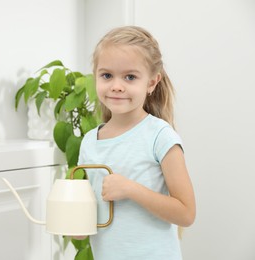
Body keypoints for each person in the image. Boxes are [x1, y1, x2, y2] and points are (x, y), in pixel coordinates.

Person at [76, 26, 196, 259]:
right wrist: (78, 223)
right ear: (95, 76)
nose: (117, 85)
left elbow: (186, 213)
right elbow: (92, 213)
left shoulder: (160, 136)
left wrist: (131, 189)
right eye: (107, 75)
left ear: (152, 83)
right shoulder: (89, 142)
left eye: (130, 77)